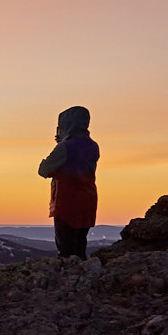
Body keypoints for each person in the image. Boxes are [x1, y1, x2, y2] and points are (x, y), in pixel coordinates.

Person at [37, 105, 100, 259]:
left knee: (66, 251)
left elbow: (44, 170)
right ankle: (85, 277)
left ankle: (70, 280)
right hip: (88, 203)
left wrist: (60, 143)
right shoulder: (93, 146)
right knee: (80, 246)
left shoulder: (64, 147)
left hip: (66, 204)